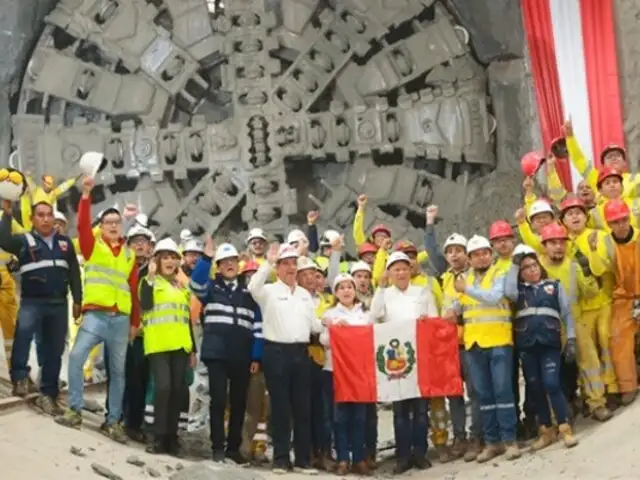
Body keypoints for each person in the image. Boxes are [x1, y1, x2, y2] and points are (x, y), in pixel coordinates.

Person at [56, 176, 140, 444]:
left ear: (121, 226)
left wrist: (134, 323)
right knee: (78, 355)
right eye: (109, 223)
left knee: (118, 372)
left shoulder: (129, 255)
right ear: (101, 227)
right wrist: (86, 195)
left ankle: (112, 421)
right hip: (95, 315)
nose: (113, 226)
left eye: (117, 223)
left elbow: (133, 291)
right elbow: (81, 225)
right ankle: (75, 409)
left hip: (120, 320)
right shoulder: (93, 247)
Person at [247, 243, 323, 474]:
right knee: (280, 407)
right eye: (285, 264)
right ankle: (280, 459)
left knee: (302, 407)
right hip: (276, 352)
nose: (290, 268)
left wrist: (333, 321)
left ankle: (301, 460)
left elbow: (314, 325)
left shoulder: (304, 295)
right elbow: (252, 286)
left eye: (293, 264)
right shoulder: (268, 291)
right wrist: (267, 263)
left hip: (301, 353)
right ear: (278, 268)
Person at [0, 198, 82, 412]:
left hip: (58, 304)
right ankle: (19, 377)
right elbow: (3, 240)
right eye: (41, 215)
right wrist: (7, 215)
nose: (46, 219)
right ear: (32, 219)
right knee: (23, 337)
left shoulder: (65, 243)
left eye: (49, 215)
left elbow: (73, 271)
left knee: (54, 350)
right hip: (32, 302)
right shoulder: (23, 241)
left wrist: (78, 300)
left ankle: (49, 393)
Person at [445, 235, 520, 463]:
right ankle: (491, 442)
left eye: (485, 253)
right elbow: (457, 304)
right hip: (474, 344)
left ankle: (510, 440)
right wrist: (451, 309)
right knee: (483, 395)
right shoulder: (464, 279)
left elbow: (494, 297)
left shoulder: (501, 274)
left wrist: (466, 290)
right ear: (469, 258)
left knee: (503, 392)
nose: (481, 257)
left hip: (498, 341)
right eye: (476, 254)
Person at [190, 239, 262, 464]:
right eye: (224, 262)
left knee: (239, 403)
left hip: (242, 355)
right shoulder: (210, 288)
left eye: (232, 261)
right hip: (217, 354)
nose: (229, 265)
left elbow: (257, 326)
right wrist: (206, 259)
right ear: (218, 266)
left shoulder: (249, 292)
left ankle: (233, 449)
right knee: (219, 400)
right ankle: (217, 448)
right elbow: (196, 285)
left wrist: (256, 355)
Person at [370, 251, 438, 474]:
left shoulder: (422, 291)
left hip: (420, 357)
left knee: (420, 410)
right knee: (400, 411)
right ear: (389, 272)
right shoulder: (385, 294)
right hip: (396, 361)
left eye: (404, 268)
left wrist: (426, 322)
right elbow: (374, 315)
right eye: (395, 269)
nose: (400, 273)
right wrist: (379, 289)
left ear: (411, 271)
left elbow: (433, 318)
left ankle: (420, 453)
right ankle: (402, 456)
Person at [505, 244, 579, 450]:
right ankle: (546, 431)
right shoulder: (518, 291)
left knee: (552, 384)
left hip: (549, 343)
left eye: (534, 265)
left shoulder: (554, 286)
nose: (532, 270)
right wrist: (514, 264)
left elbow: (567, 314)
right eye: (526, 267)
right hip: (527, 345)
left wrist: (571, 339)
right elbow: (508, 292)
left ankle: (565, 428)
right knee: (535, 388)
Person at [140, 237, 195, 456]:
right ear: (157, 261)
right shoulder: (150, 282)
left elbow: (185, 317)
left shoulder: (180, 286)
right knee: (163, 388)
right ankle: (158, 436)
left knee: (178, 390)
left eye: (173, 257)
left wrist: (193, 349)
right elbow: (145, 304)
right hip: (159, 344)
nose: (170, 262)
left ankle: (173, 438)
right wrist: (151, 276)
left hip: (181, 345)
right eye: (166, 258)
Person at [320, 273, 374, 476]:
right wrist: (335, 328)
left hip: (359, 372)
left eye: (349, 287)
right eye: (341, 287)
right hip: (335, 371)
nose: (346, 291)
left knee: (360, 416)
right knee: (339, 416)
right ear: (335, 292)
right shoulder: (330, 314)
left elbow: (373, 338)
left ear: (355, 290)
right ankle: (343, 458)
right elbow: (324, 341)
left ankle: (359, 458)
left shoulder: (366, 314)